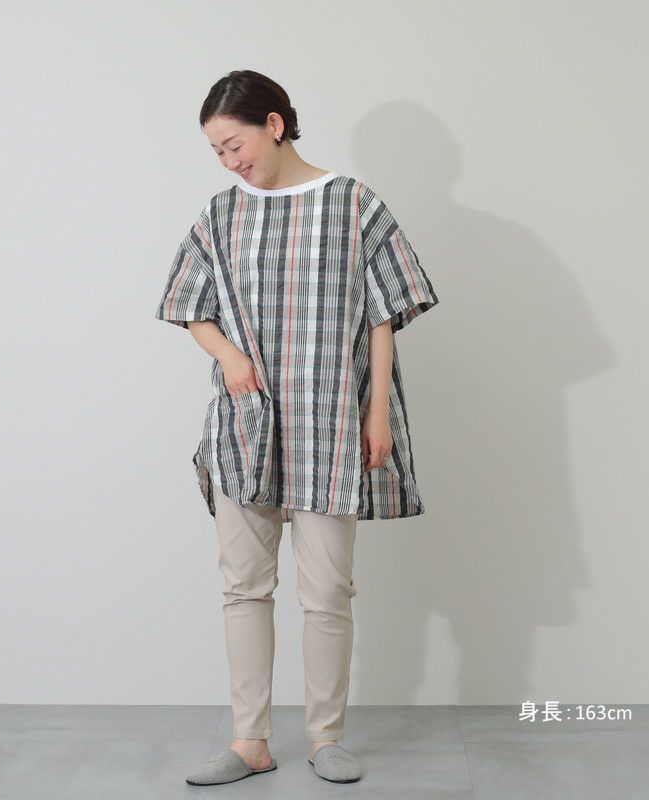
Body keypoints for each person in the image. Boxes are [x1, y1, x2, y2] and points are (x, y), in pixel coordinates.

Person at [154, 69, 440, 786]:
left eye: (235, 144)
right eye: (217, 152)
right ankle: (249, 740)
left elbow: (382, 316)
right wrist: (230, 359)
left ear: (274, 125)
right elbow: (189, 304)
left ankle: (325, 738)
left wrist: (378, 412)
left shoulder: (354, 204)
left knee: (327, 592)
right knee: (243, 589)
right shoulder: (222, 214)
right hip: (247, 426)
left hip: (331, 423)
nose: (229, 162)